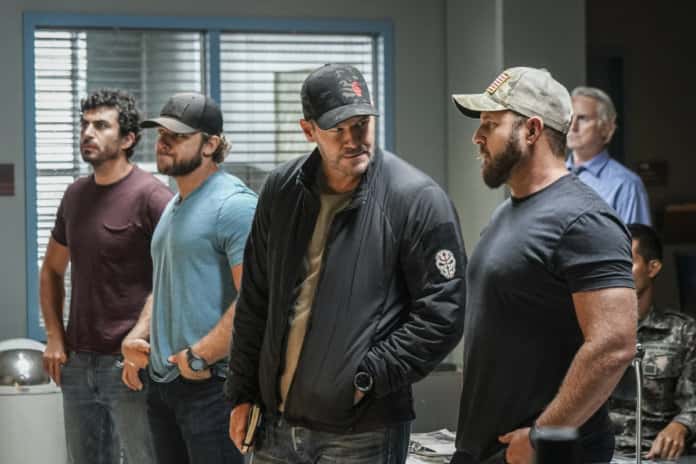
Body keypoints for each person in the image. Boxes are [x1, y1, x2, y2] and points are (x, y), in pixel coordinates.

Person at [225, 63, 467, 464]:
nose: (354, 140)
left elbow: (443, 313)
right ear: (309, 131)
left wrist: (366, 377)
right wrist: (242, 393)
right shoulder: (281, 191)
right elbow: (255, 299)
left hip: (362, 430)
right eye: (338, 129)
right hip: (275, 426)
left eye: (361, 124)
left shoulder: (417, 199)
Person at [450, 67, 638, 464]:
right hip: (486, 447)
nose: (477, 137)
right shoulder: (507, 213)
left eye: (491, 125)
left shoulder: (585, 220)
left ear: (532, 130)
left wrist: (543, 436)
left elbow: (613, 346)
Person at [122, 92, 256, 464]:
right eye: (161, 134)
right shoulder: (173, 206)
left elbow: (256, 300)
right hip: (164, 385)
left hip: (211, 387)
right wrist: (138, 336)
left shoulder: (235, 206)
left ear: (210, 144)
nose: (163, 142)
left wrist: (200, 356)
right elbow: (167, 286)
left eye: (178, 135)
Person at [40, 88, 171, 464]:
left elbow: (171, 280)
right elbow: (52, 270)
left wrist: (139, 339)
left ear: (128, 139)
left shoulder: (153, 197)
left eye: (100, 125)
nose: (87, 133)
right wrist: (55, 336)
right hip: (78, 363)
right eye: (84, 124)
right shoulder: (74, 196)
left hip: (130, 365)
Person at [610, 223, 696, 460]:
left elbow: (693, 401)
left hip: (654, 455)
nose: (617, 271)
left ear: (653, 267)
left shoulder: (683, 332)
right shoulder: (591, 331)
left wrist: (682, 425)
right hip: (598, 453)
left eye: (626, 261)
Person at [566, 86, 651, 225]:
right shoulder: (552, 177)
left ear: (606, 128)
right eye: (570, 117)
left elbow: (636, 238)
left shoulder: (626, 184)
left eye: (582, 118)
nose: (572, 127)